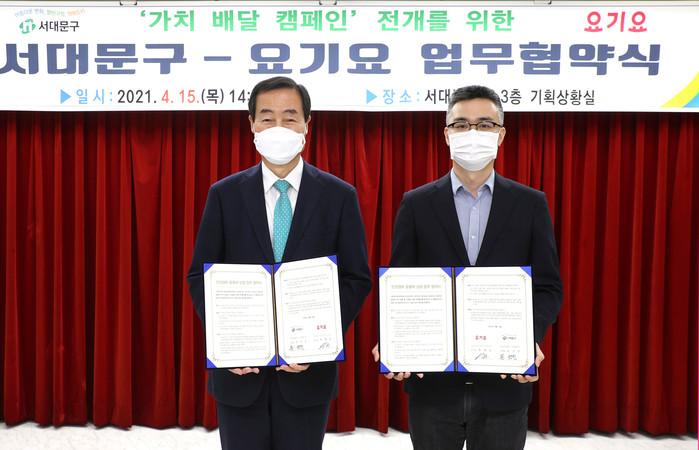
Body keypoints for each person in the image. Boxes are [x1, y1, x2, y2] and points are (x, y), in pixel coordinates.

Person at [372, 85, 563, 450]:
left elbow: (548, 286)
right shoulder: (416, 204)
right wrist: (395, 339)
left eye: (485, 125)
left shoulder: (530, 204)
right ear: (447, 134)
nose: (472, 133)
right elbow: (399, 285)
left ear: (501, 135)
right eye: (461, 125)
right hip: (433, 387)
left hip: (504, 383)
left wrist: (529, 337)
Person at [187, 76, 371, 450]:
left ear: (307, 124)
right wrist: (228, 342)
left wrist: (319, 341)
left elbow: (356, 278)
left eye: (289, 117)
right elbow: (200, 275)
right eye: (267, 118)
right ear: (251, 124)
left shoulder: (339, 195)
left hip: (308, 375)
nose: (278, 128)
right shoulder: (224, 194)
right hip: (240, 374)